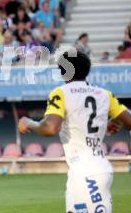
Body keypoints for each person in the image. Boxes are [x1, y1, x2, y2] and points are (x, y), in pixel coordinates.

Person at [18, 50, 131, 213]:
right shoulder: (105, 95)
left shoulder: (61, 93)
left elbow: (50, 128)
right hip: (86, 170)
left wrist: (28, 122)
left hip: (87, 172)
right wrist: (115, 121)